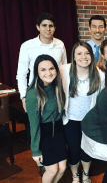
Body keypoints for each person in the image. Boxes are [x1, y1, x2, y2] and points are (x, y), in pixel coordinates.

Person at [60, 42, 105, 183]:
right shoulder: (64, 71)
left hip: (89, 121)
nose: (83, 57)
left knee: (87, 149)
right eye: (79, 53)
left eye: (87, 53)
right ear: (73, 56)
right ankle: (75, 175)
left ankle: (85, 174)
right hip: (70, 119)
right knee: (73, 149)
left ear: (92, 56)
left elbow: (100, 101)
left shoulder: (100, 75)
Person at [26, 54, 67, 183]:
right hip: (43, 134)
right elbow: (34, 125)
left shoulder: (58, 87)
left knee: (62, 168)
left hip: (58, 132)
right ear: (37, 72)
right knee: (52, 170)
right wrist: (36, 150)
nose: (48, 73)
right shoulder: (33, 94)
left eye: (51, 68)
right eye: (43, 69)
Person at [17, 12, 67, 112]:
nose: (48, 29)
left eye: (50, 26)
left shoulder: (60, 44)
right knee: (37, 123)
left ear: (54, 28)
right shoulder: (27, 46)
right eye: (44, 25)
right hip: (36, 92)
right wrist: (23, 97)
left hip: (55, 92)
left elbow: (64, 70)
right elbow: (21, 74)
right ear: (38, 27)